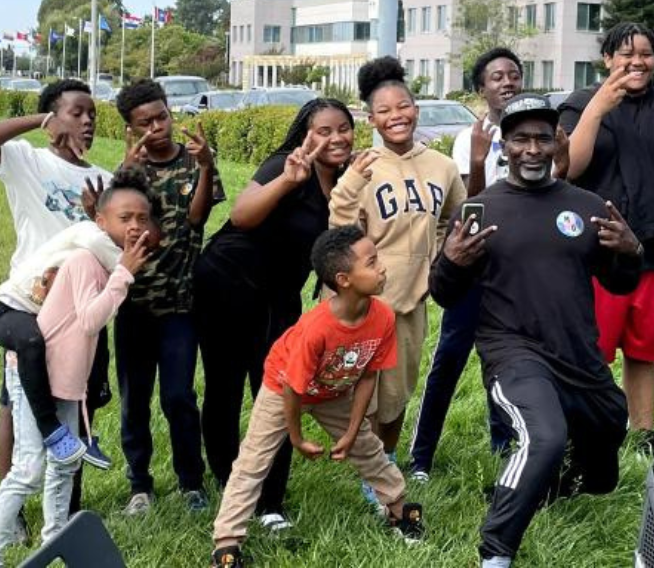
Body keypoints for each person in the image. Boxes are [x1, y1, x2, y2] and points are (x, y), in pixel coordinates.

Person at [429, 93, 644, 568]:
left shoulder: (587, 206)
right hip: (513, 352)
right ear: (505, 145)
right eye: (521, 139)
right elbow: (443, 293)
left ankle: (548, 484)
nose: (532, 149)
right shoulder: (480, 210)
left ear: (556, 142)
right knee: (543, 438)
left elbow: (619, 280)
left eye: (542, 139)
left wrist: (631, 252)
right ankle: (496, 550)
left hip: (579, 356)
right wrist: (451, 261)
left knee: (605, 459)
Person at [210, 225, 423, 568]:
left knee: (370, 449)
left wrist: (352, 432)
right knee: (253, 462)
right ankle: (226, 542)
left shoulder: (382, 316)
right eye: (372, 263)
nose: (382, 268)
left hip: (333, 390)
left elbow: (369, 375)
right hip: (284, 388)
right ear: (344, 279)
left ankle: (399, 510)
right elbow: (294, 389)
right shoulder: (316, 327)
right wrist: (296, 439)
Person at [0, 168, 153, 568]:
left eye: (143, 218)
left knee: (65, 464)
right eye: (125, 219)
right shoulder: (88, 259)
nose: (136, 226)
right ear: (100, 221)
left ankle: (55, 537)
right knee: (28, 469)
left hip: (67, 380)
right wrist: (125, 273)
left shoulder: (103, 263)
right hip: (38, 375)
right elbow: (91, 320)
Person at [193, 98, 356, 529]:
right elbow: (241, 216)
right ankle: (232, 483)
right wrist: (286, 182)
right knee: (225, 389)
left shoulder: (344, 183)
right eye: (324, 130)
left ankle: (271, 502)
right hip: (228, 282)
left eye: (344, 128)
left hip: (280, 298)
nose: (335, 138)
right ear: (305, 133)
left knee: (285, 389)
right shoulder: (286, 164)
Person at [0, 79, 113, 539]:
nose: (88, 121)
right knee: (16, 402)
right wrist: (36, 123)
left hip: (85, 310)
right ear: (53, 118)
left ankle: (66, 510)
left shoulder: (104, 180)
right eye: (77, 112)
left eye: (92, 113)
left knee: (79, 402)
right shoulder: (27, 161)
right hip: (31, 304)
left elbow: (114, 243)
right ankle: (11, 511)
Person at [558, 21, 654, 457]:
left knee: (644, 353)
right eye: (626, 53)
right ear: (607, 59)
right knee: (590, 352)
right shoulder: (581, 103)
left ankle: (642, 435)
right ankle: (585, 434)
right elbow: (570, 167)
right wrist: (598, 108)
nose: (636, 62)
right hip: (593, 253)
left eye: (645, 54)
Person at [329, 56, 465, 497]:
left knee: (399, 392)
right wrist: (351, 182)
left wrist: (437, 258)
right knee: (364, 393)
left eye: (402, 106)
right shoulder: (364, 166)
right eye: (384, 111)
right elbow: (341, 230)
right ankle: (374, 473)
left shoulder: (441, 167)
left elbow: (453, 216)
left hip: (413, 300)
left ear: (416, 110)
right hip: (371, 303)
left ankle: (385, 458)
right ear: (371, 119)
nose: (396, 116)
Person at [409, 47, 524, 479]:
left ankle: (504, 444)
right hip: (475, 265)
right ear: (482, 89)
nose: (508, 82)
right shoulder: (469, 137)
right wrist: (478, 160)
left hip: (517, 270)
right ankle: (421, 456)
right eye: (497, 77)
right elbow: (468, 211)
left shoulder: (532, 132)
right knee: (451, 356)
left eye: (514, 75)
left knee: (507, 360)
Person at [114, 79, 224, 514]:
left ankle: (190, 482)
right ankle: (139, 484)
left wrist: (207, 167)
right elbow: (119, 224)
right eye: (146, 122)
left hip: (180, 306)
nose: (157, 127)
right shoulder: (130, 172)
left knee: (179, 396)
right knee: (133, 399)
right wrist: (128, 167)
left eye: (162, 117)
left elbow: (196, 219)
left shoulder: (192, 161)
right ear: (131, 127)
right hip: (133, 306)